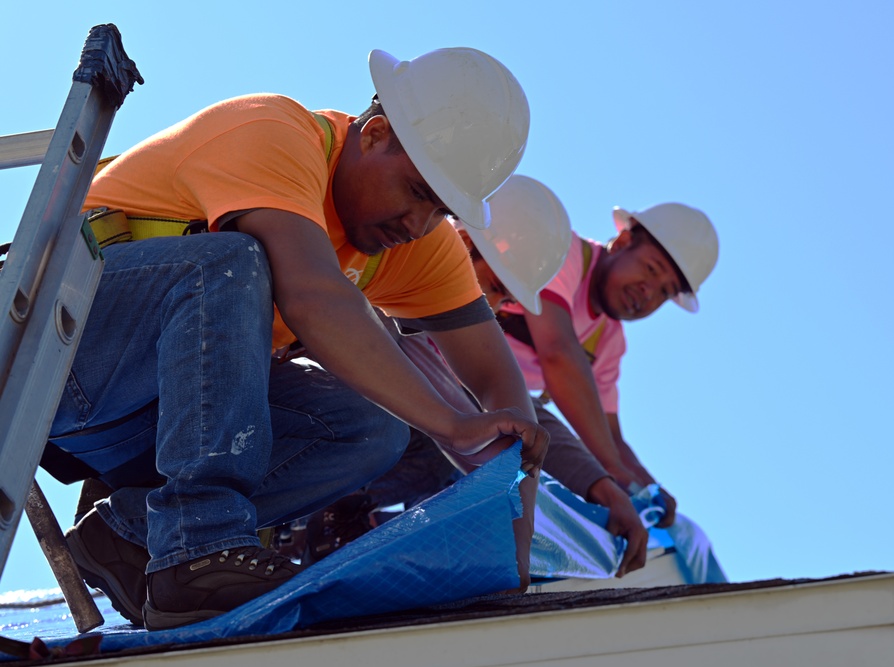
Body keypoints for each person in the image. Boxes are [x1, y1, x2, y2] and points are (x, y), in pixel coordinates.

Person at [54, 46, 548, 631]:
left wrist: (512, 554)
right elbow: (316, 296)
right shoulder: (272, 132)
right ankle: (198, 543)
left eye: (441, 210)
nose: (419, 225)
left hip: (145, 417)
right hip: (57, 364)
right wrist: (453, 424)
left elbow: (499, 385)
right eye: (417, 191)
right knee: (228, 263)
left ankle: (130, 538)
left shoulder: (412, 242)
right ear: (377, 133)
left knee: (370, 426)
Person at [287, 175, 651, 578]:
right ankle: (329, 520)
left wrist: (600, 486)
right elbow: (469, 401)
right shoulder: (392, 290)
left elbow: (519, 414)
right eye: (495, 288)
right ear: (462, 245)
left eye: (507, 300)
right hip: (278, 427)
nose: (494, 308)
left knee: (475, 439)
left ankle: (330, 529)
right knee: (442, 434)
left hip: (306, 440)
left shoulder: (441, 330)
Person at [496, 202, 720, 526]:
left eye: (665, 291)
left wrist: (646, 484)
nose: (648, 292)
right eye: (652, 269)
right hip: (433, 354)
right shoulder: (561, 251)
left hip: (483, 399)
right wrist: (612, 471)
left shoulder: (607, 341)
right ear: (623, 242)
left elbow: (610, 437)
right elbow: (558, 352)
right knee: (532, 433)